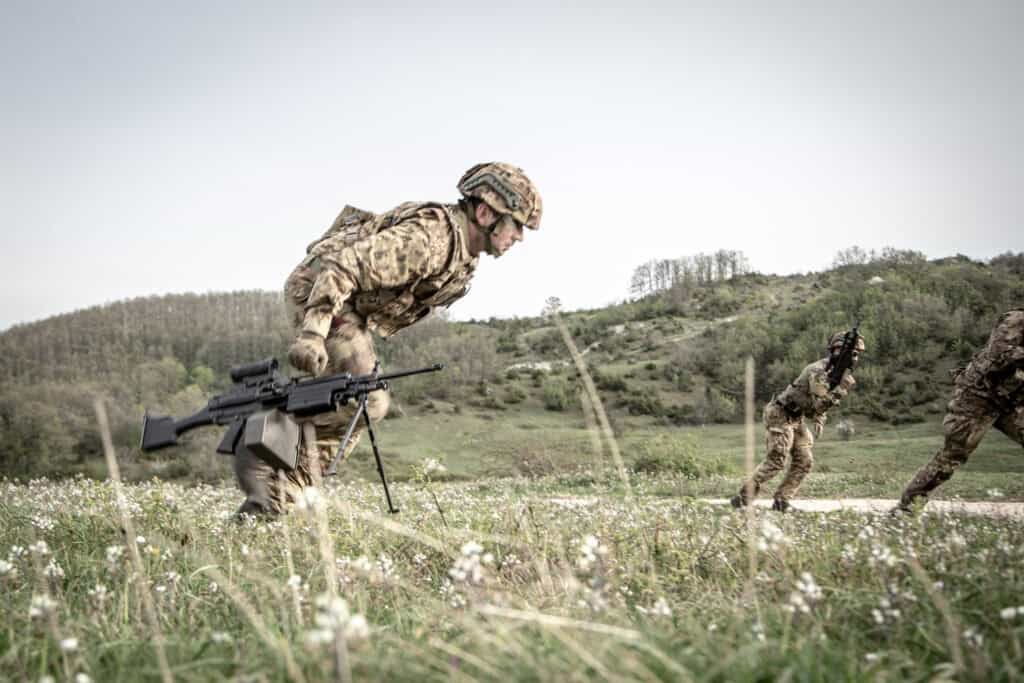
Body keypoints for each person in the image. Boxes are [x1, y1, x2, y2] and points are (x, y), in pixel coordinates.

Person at [234, 162, 542, 515]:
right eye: (516, 225)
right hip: (321, 290)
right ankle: (267, 452)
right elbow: (343, 266)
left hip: (350, 304)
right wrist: (313, 334)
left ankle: (288, 491)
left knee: (360, 400)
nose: (518, 237)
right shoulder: (428, 241)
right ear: (486, 213)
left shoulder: (463, 255)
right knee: (367, 399)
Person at [895, 309, 1024, 513]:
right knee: (952, 456)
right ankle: (906, 509)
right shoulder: (1016, 319)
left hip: (1010, 402)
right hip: (978, 397)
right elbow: (1000, 354)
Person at [731, 330, 865, 512]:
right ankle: (743, 498)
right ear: (834, 351)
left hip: (797, 417)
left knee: (804, 460)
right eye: (848, 353)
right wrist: (840, 390)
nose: (853, 358)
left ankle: (782, 501)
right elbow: (819, 403)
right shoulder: (818, 371)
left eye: (856, 354)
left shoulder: (837, 374)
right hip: (780, 414)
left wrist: (820, 418)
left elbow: (816, 407)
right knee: (776, 460)